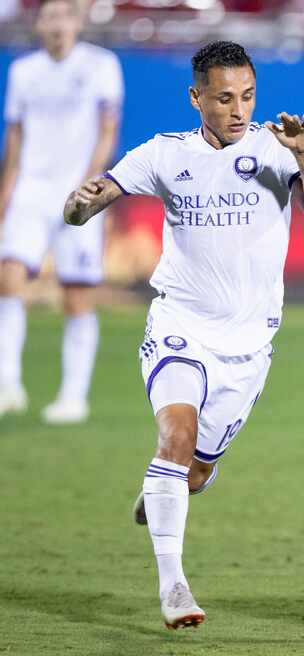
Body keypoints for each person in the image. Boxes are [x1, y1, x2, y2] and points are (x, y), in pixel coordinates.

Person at [63, 41, 304, 629]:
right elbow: (96, 198)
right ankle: (174, 586)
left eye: (248, 96)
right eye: (224, 98)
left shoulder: (275, 147)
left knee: (195, 470)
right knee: (176, 436)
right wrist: (80, 206)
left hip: (248, 345)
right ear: (196, 98)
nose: (239, 110)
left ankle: (167, 488)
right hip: (180, 325)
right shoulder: (165, 154)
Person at [0, 0, 123, 423]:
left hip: (78, 192)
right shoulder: (22, 73)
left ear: (77, 22)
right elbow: (14, 138)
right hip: (31, 189)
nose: (56, 24)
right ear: (39, 24)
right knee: (8, 276)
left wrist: (90, 184)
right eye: (49, 16)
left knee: (76, 295)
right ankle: (7, 383)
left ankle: (74, 396)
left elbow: (108, 131)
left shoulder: (101, 66)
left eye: (64, 16)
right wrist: (6, 193)